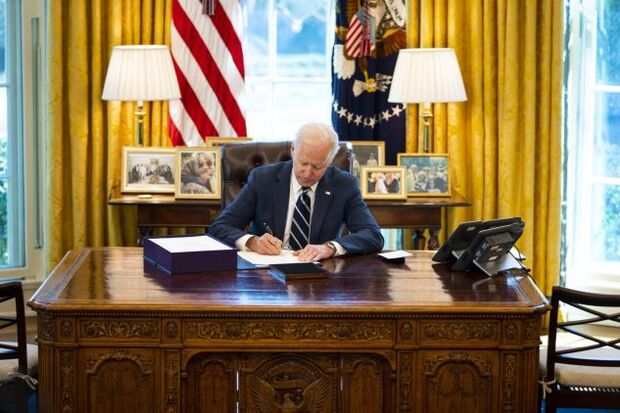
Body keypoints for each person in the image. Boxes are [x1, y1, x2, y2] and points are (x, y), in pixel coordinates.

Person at [208, 122, 384, 261]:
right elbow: (220, 227)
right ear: (293, 150)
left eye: (317, 166)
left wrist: (329, 248)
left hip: (320, 277)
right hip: (267, 276)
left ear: (330, 160)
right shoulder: (262, 179)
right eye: (303, 163)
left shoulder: (344, 185)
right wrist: (252, 242)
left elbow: (373, 235)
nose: (307, 173)